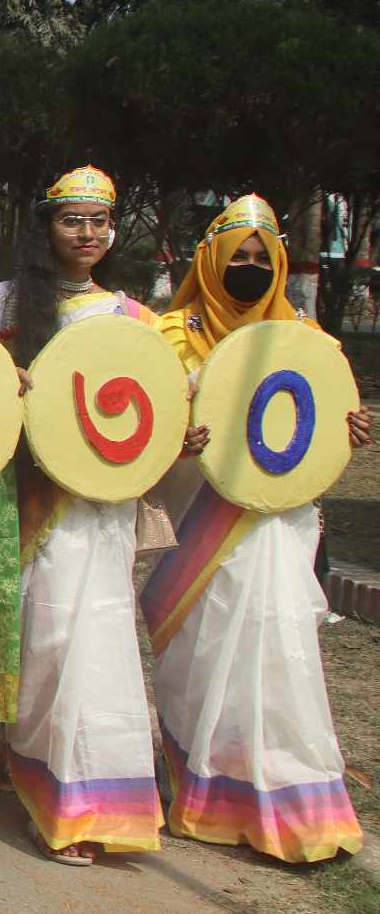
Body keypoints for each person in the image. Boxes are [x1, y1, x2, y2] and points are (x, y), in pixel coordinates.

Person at [140, 194, 368, 863]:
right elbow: (146, 436)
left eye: (258, 258)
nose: (247, 268)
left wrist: (349, 431)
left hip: (275, 526)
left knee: (278, 645)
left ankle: (293, 795)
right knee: (208, 653)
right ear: (208, 261)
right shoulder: (169, 335)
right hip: (197, 522)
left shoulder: (306, 337)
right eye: (234, 256)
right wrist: (179, 440)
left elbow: (319, 428)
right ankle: (210, 792)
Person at [0, 165, 164, 865]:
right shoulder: (1, 301)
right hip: (24, 499)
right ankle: (33, 779)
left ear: (112, 232)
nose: (85, 233)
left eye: (99, 221)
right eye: (71, 219)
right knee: (42, 640)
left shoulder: (133, 320)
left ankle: (88, 800)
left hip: (99, 507)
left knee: (99, 643)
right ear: (46, 226)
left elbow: (158, 413)